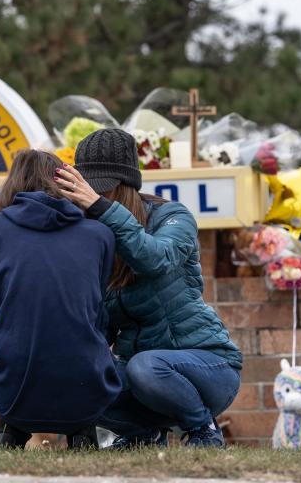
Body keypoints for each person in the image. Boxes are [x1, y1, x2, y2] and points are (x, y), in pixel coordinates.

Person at [55, 128, 242, 448]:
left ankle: (204, 430)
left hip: (208, 368)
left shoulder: (172, 216)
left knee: (146, 366)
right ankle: (144, 436)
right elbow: (100, 332)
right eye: (91, 194)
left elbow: (156, 260)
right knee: (79, 376)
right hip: (146, 382)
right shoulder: (97, 238)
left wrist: (101, 208)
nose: (96, 202)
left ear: (127, 186)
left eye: (105, 192)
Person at [0, 149, 122, 450]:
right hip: (87, 388)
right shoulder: (99, 235)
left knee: (10, 333)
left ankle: (11, 431)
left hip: (12, 390)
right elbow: (96, 306)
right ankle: (82, 434)